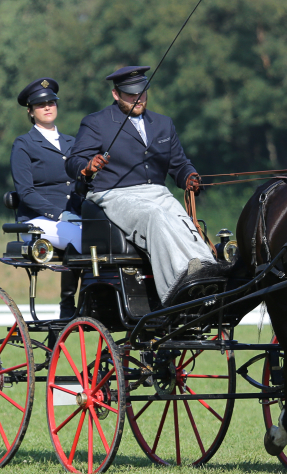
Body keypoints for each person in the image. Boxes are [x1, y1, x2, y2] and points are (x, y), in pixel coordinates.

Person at [65, 66, 218, 306]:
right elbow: (73, 162)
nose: (138, 99)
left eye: (142, 93)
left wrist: (189, 176)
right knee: (154, 216)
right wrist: (88, 166)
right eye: (130, 94)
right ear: (116, 94)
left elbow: (179, 165)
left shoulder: (163, 124)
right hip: (112, 194)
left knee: (183, 222)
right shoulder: (96, 122)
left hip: (158, 192)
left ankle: (209, 276)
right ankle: (179, 289)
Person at [10, 77, 81, 318]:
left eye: (51, 102)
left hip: (75, 215)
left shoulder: (73, 143)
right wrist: (58, 213)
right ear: (30, 111)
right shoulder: (24, 144)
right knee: (83, 238)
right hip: (39, 219)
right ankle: (68, 303)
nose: (48, 107)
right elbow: (26, 192)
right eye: (41, 105)